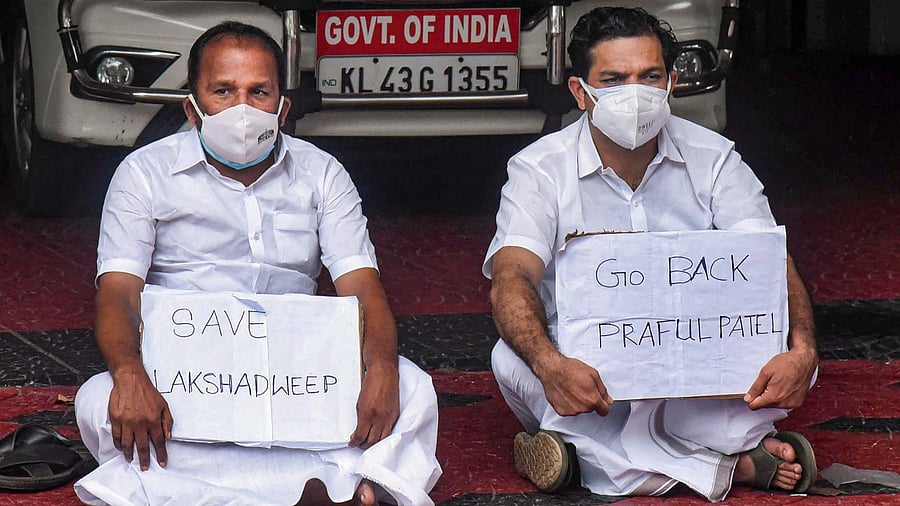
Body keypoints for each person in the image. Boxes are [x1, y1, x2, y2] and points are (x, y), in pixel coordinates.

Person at [74, 21, 441, 506]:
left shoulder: (321, 173)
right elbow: (119, 290)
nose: (242, 108)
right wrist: (129, 374)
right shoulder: (144, 173)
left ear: (282, 108)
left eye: (259, 91)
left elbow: (362, 286)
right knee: (98, 400)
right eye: (223, 91)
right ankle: (340, 488)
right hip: (187, 371)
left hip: (297, 370)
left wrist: (383, 368)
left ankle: (198, 495)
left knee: (413, 388)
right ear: (192, 106)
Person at [483, 7, 819, 502]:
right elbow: (512, 275)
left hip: (697, 370)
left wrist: (803, 351)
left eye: (649, 76)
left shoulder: (716, 160)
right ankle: (738, 465)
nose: (634, 93)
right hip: (588, 378)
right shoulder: (540, 170)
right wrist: (552, 365)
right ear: (582, 92)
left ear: (671, 83)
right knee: (509, 358)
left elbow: (771, 261)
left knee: (785, 367)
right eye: (614, 79)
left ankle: (581, 460)